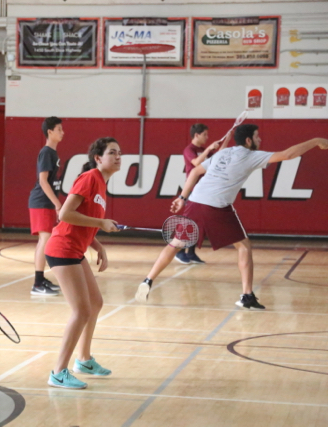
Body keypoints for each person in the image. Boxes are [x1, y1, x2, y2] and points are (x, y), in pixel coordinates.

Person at [136, 124, 328, 310]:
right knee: (243, 246)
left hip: (194, 202)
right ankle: (247, 296)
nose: (260, 139)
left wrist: (182, 198)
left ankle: (148, 280)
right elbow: (288, 155)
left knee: (176, 244)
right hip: (216, 206)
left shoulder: (223, 153)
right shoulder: (251, 156)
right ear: (248, 140)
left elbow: (195, 171)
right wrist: (315, 140)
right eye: (257, 136)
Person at [45, 137, 121, 390]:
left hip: (76, 249)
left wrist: (98, 245)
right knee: (81, 310)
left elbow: (83, 220)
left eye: (120, 153)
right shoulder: (90, 178)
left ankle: (84, 360)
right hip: (62, 249)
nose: (118, 157)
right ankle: (58, 372)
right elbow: (64, 214)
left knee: (96, 303)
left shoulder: (101, 184)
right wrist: (101, 223)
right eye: (112, 152)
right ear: (98, 158)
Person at [175, 123, 231, 264]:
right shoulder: (189, 149)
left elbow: (219, 155)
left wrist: (227, 139)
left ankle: (191, 253)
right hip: (192, 191)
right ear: (197, 135)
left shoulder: (203, 150)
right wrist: (208, 150)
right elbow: (195, 163)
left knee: (199, 224)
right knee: (189, 223)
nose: (207, 137)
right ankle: (180, 252)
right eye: (205, 134)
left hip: (203, 192)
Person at [28, 116, 64, 296]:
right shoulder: (46, 152)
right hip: (41, 202)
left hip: (47, 203)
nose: (62, 132)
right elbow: (43, 181)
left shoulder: (53, 153)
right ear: (50, 132)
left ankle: (41, 279)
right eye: (59, 129)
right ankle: (37, 283)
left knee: (46, 240)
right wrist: (58, 204)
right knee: (45, 240)